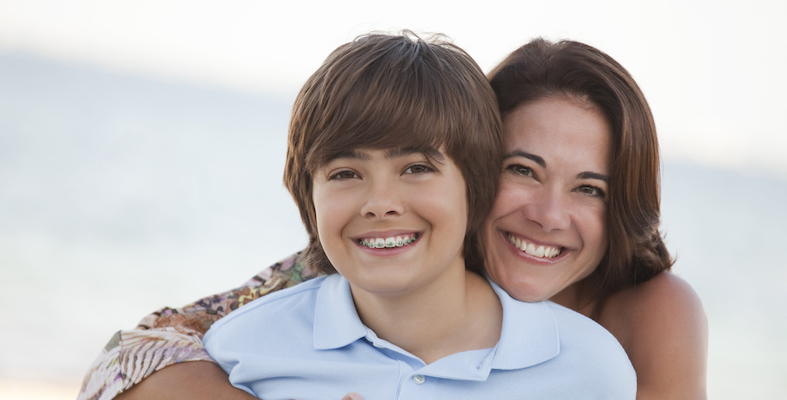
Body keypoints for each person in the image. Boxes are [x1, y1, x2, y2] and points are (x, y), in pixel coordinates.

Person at [78, 36, 706, 400]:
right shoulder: (336, 273)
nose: (546, 214)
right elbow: (136, 352)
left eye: (590, 188)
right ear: (482, 169)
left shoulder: (632, 327)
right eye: (523, 170)